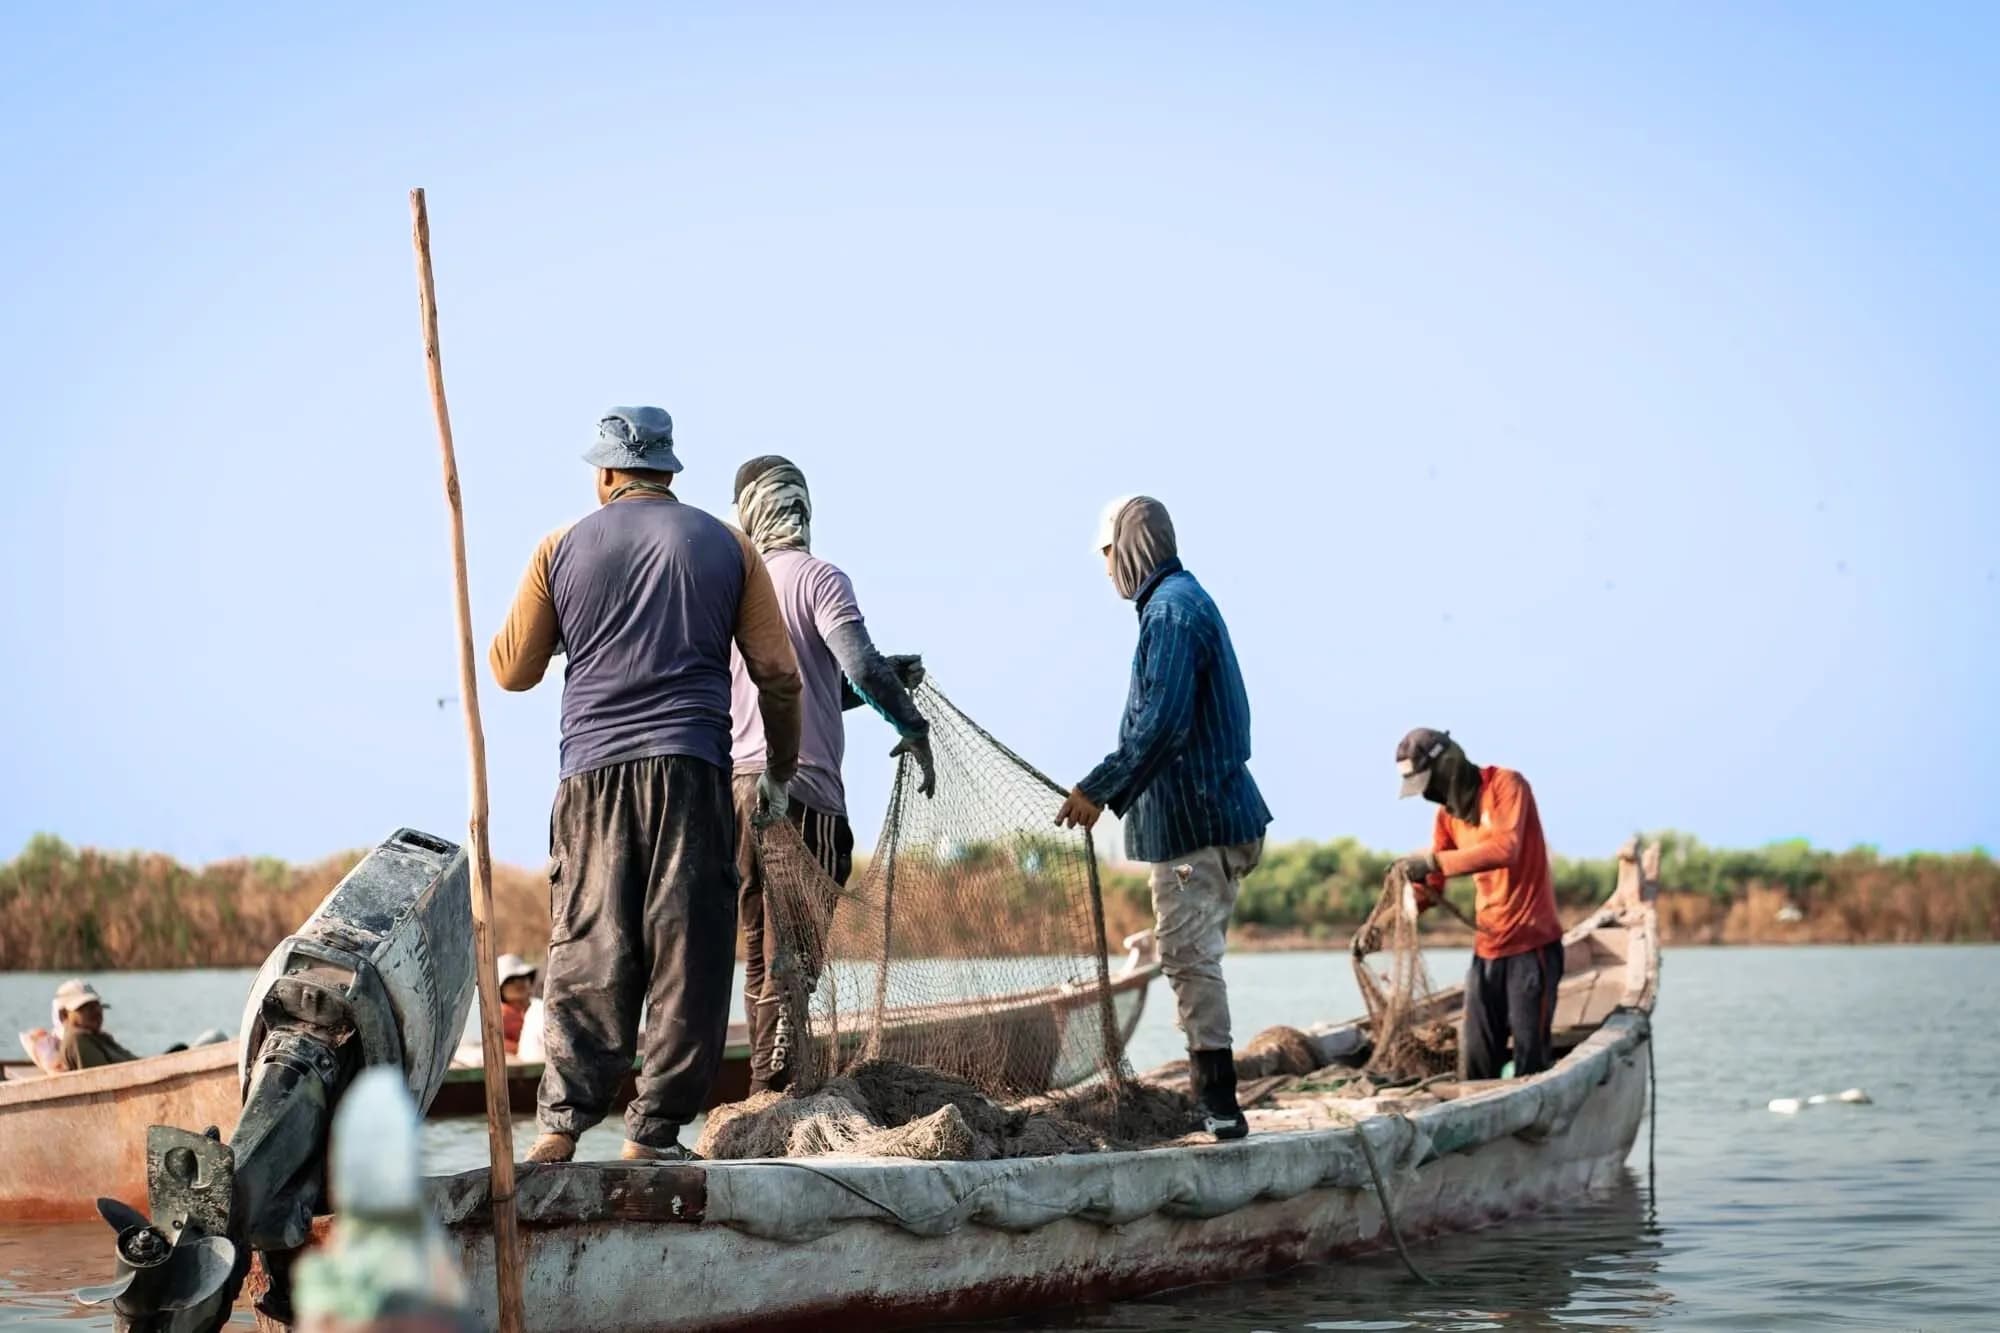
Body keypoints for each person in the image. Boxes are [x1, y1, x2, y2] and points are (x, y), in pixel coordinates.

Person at [490, 406, 804, 1163]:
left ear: (604, 475)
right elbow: (780, 677)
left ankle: (560, 1131)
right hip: (693, 770)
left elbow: (511, 671)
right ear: (668, 470)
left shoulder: (559, 546)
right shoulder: (728, 546)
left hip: (591, 775)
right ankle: (653, 1134)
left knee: (589, 944)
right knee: (687, 951)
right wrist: (781, 772)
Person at [1056, 496, 1272, 1141]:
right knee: (1187, 955)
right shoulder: (1175, 603)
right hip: (1209, 816)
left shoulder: (1173, 612)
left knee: (1188, 957)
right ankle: (1216, 1099)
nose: (1105, 569)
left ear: (1129, 548)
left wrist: (1099, 788)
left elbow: (1165, 724)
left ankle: (1220, 1107)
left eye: (1106, 555)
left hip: (1197, 826)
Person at [725, 455, 935, 1093]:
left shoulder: (736, 590)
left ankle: (765, 1092)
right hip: (801, 792)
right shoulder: (820, 580)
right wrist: (912, 725)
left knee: (762, 951)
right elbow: (859, 664)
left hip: (736, 794)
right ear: (801, 510)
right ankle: (781, 1096)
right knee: (795, 962)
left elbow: (808, 684)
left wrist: (879, 681)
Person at [1391, 728, 1565, 1080]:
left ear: (1447, 768)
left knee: (1531, 1059)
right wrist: (1394, 915)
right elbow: (1433, 886)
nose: (1429, 795)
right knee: (1477, 1059)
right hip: (1487, 950)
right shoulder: (1447, 818)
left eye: (1429, 783)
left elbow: (1506, 849)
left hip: (1532, 947)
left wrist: (1433, 862)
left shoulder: (1506, 786)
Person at [53, 979, 138, 1071]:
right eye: (84, 1007)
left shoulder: (101, 1038)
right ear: (64, 1015)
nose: (96, 1011)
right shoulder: (77, 1040)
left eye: (97, 1005)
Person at [495, 954, 537, 1056]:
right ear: (500, 987)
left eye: (523, 977)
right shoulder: (498, 1016)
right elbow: (496, 1043)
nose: (519, 983)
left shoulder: (538, 1009)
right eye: (511, 980)